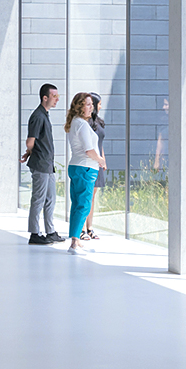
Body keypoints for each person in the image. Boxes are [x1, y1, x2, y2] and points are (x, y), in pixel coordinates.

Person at [23, 84, 64, 245]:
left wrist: (29, 152)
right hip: (41, 164)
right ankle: (34, 233)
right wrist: (29, 152)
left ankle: (50, 231)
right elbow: (30, 141)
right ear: (44, 98)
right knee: (38, 199)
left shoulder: (44, 114)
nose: (57, 99)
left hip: (47, 164)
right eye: (54, 96)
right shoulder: (38, 116)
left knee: (50, 199)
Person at [64, 92, 104, 254]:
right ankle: (74, 243)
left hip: (77, 167)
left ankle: (76, 239)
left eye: (92, 105)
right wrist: (100, 160)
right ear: (79, 106)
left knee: (77, 205)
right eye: (87, 104)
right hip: (85, 168)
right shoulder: (81, 124)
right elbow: (89, 150)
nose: (91, 108)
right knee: (83, 205)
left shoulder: (75, 123)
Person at [83, 93, 108, 240]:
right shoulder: (84, 123)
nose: (100, 106)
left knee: (92, 197)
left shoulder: (99, 122)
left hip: (98, 162)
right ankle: (82, 228)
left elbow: (100, 143)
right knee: (85, 196)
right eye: (99, 103)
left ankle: (90, 227)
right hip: (89, 162)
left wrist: (104, 160)